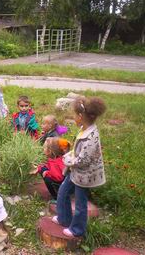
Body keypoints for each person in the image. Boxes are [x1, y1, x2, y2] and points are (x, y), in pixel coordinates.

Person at [52, 96, 107, 238]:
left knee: (80, 203)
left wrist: (68, 160)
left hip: (84, 175)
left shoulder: (91, 137)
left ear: (81, 116)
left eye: (74, 115)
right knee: (63, 192)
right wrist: (71, 154)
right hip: (75, 171)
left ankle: (77, 229)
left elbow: (83, 160)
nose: (74, 118)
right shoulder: (84, 130)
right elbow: (78, 150)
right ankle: (64, 218)